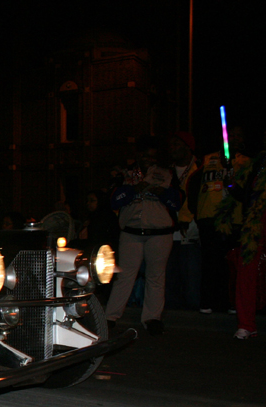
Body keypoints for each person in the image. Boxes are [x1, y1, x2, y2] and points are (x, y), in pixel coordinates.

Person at [105, 136, 182, 335]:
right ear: (138, 155)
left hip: (160, 233)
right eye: (146, 156)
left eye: (153, 157)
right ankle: (110, 317)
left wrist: (162, 193)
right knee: (124, 276)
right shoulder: (125, 173)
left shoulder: (166, 173)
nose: (150, 160)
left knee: (156, 277)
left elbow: (178, 201)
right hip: (131, 232)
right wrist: (133, 190)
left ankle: (152, 318)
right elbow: (113, 201)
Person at [188, 126, 250, 314]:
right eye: (232, 135)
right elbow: (193, 185)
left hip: (234, 219)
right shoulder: (208, 159)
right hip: (208, 218)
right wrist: (196, 213)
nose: (235, 138)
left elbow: (248, 192)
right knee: (209, 262)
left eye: (239, 136)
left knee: (230, 263)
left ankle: (230, 302)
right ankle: (207, 302)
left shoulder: (246, 162)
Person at [216, 129, 266, 339]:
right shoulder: (257, 164)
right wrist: (230, 183)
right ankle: (246, 324)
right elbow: (245, 195)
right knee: (246, 271)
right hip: (255, 223)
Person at [166, 132, 202, 310]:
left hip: (191, 230)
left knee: (191, 274)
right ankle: (173, 313)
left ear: (189, 147)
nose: (173, 148)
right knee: (170, 274)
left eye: (177, 144)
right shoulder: (165, 172)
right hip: (168, 231)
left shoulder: (200, 169)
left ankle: (194, 312)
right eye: (171, 145)